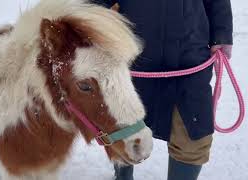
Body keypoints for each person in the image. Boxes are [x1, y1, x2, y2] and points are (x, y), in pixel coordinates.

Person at [92, 0, 233, 180]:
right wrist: (86, 30)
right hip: (132, 56)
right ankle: (122, 176)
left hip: (191, 58)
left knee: (193, 136)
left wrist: (222, 33)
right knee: (124, 128)